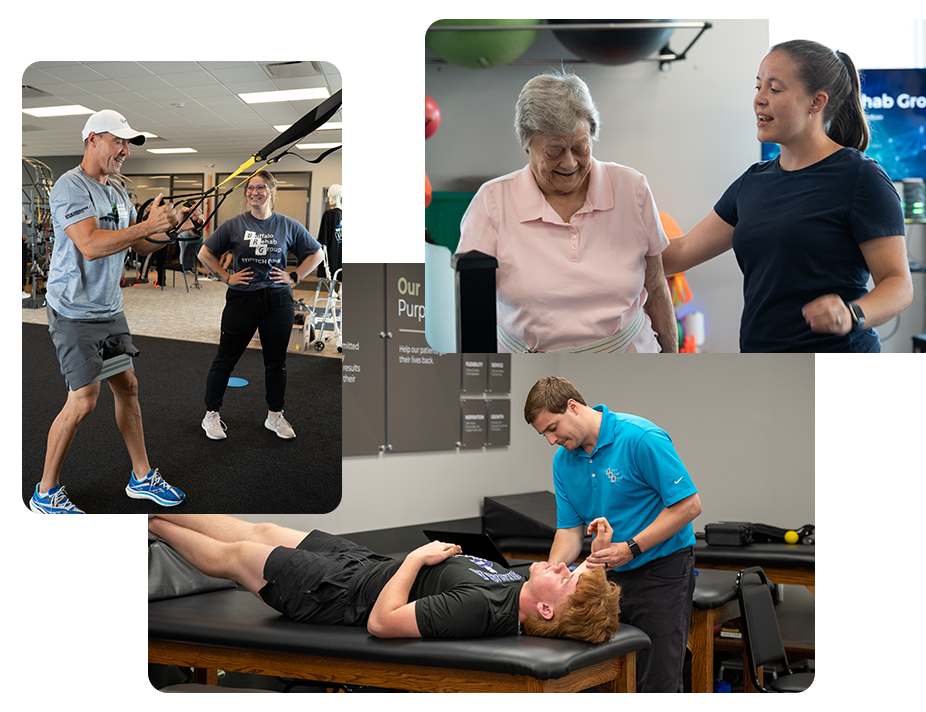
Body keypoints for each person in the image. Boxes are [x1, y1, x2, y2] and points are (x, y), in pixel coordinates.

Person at [662, 40, 913, 352]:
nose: (759, 100)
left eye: (775, 89)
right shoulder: (751, 183)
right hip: (762, 362)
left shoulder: (862, 178)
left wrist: (853, 314)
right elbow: (681, 252)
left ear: (816, 102)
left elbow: (899, 284)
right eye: (758, 87)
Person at [29, 109, 189, 514]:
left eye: (127, 143)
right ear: (93, 139)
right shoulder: (70, 186)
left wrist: (171, 229)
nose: (124, 151)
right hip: (74, 311)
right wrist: (146, 224)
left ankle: (141, 476)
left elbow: (136, 246)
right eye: (118, 141)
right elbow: (91, 244)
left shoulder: (117, 190)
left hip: (109, 308)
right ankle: (45, 494)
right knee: (83, 400)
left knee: (128, 387)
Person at [456, 70, 677, 353]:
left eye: (580, 146)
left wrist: (673, 362)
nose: (570, 162)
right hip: (530, 368)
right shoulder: (492, 201)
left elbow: (657, 288)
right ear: (527, 144)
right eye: (554, 151)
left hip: (628, 359)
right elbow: (471, 303)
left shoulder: (632, 188)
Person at [147, 514, 621, 643]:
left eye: (566, 579)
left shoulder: (483, 609)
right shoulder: (516, 588)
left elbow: (382, 623)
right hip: (364, 565)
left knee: (237, 555)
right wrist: (592, 560)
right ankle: (157, 503)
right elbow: (569, 574)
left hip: (337, 594)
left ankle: (146, 522)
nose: (562, 566)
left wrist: (415, 558)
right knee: (262, 529)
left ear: (544, 610)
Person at [524, 376, 702, 693]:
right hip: (606, 574)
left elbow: (689, 506)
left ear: (573, 407)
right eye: (544, 435)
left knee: (655, 676)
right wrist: (551, 575)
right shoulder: (563, 460)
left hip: (661, 568)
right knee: (601, 676)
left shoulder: (640, 437)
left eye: (552, 428)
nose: (551, 440)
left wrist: (630, 548)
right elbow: (568, 531)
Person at [197, 171, 324, 441]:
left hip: (278, 301)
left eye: (261, 187)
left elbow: (317, 253)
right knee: (225, 359)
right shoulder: (233, 225)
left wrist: (294, 276)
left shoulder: (288, 225)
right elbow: (205, 253)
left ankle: (274, 416)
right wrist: (227, 276)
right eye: (250, 188)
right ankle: (211, 415)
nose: (254, 192)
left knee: (276, 362)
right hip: (242, 299)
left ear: (272, 191)